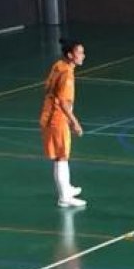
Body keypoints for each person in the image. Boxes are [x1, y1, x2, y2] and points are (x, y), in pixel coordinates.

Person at [41, 38, 87, 207]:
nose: (83, 55)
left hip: (48, 114)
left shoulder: (58, 65)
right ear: (70, 55)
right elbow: (63, 101)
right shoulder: (67, 74)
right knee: (62, 156)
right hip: (57, 118)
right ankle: (64, 197)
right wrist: (74, 122)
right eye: (79, 53)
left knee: (61, 156)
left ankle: (66, 188)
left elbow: (47, 87)